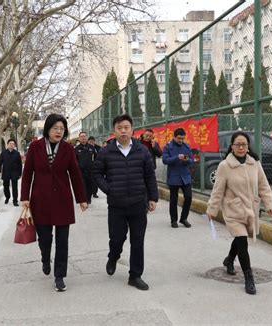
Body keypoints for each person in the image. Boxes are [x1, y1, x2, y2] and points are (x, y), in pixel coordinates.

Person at [21, 114, 88, 292]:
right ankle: (45, 257)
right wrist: (24, 197)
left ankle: (60, 276)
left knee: (62, 240)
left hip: (62, 199)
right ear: (48, 129)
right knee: (45, 239)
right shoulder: (35, 147)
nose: (59, 132)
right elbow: (27, 173)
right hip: (40, 199)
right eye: (55, 128)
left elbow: (75, 174)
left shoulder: (67, 148)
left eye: (62, 129)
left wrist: (81, 198)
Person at [93, 114, 158, 291]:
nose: (123, 130)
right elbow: (97, 173)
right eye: (119, 127)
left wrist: (153, 197)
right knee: (117, 238)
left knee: (138, 241)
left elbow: (149, 175)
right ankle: (113, 256)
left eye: (126, 127)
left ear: (132, 130)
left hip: (138, 203)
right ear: (114, 130)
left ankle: (135, 275)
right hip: (116, 205)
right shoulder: (106, 152)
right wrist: (109, 188)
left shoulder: (142, 150)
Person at [206, 131, 272, 295]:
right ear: (232, 146)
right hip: (234, 210)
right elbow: (218, 190)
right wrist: (212, 209)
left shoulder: (254, 163)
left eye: (244, 144)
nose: (241, 147)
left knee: (239, 239)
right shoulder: (225, 166)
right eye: (237, 144)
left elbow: (263, 185)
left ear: (248, 146)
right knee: (242, 241)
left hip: (251, 209)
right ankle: (249, 278)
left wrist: (269, 203)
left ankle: (229, 260)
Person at [162, 128, 193, 228]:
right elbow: (165, 160)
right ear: (174, 137)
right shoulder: (168, 147)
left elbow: (192, 160)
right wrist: (176, 157)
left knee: (188, 197)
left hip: (185, 176)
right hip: (174, 177)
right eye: (179, 138)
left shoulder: (186, 146)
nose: (181, 141)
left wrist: (186, 160)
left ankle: (184, 218)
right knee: (173, 200)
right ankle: (173, 220)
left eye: (183, 138)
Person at [0, 139, 22, 206]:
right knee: (6, 186)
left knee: (15, 187)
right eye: (10, 143)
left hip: (15, 172)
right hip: (6, 172)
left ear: (14, 145)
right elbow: (0, 162)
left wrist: (20, 173)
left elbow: (19, 164)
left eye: (13, 144)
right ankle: (7, 197)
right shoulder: (3, 153)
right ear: (7, 145)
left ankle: (15, 200)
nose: (12, 145)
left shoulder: (17, 153)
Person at [75, 132, 96, 204]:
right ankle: (84, 199)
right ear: (79, 138)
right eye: (81, 136)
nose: (83, 138)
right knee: (83, 186)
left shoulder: (91, 147)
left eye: (84, 136)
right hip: (81, 171)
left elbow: (96, 158)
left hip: (90, 171)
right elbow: (74, 160)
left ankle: (89, 198)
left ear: (87, 137)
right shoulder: (76, 149)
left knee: (90, 185)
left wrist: (94, 165)